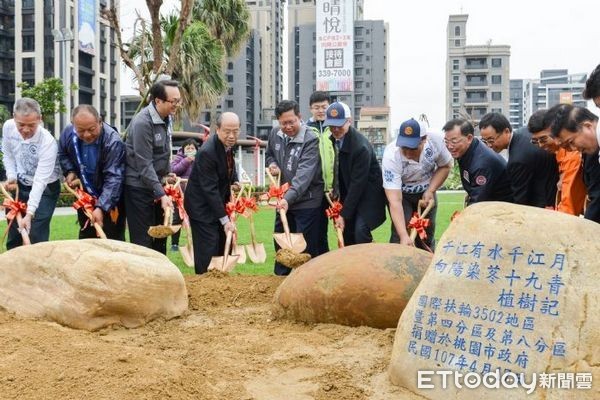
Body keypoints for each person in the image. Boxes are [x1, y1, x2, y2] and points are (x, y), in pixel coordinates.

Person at [266, 100, 323, 276]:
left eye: (292, 122)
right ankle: (280, 280)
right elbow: (269, 155)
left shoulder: (310, 139)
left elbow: (303, 177)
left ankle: (305, 284)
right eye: (284, 123)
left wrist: (287, 199)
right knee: (281, 244)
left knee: (304, 248)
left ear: (300, 117)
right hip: (284, 200)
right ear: (278, 121)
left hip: (307, 201)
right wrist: (273, 164)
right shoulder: (275, 134)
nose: (288, 126)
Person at [124, 79, 179, 254]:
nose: (177, 105)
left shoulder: (166, 118)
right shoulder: (143, 123)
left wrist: (167, 175)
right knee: (143, 242)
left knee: (160, 239)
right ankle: (141, 281)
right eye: (173, 101)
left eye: (179, 101)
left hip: (156, 186)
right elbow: (144, 164)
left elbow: (161, 154)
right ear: (158, 101)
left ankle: (160, 280)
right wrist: (161, 194)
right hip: (139, 188)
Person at [382, 118, 453, 250]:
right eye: (404, 148)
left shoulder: (436, 141)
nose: (408, 153)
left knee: (426, 235)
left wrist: (431, 190)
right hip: (402, 195)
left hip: (426, 192)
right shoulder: (391, 155)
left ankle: (426, 266)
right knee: (400, 237)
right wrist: (403, 235)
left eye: (413, 148)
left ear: (424, 139)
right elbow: (395, 201)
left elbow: (445, 166)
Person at [58, 104, 126, 240]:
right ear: (73, 125)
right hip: (85, 196)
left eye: (91, 129)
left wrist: (101, 207)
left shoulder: (113, 142)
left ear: (100, 122)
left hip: (111, 199)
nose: (87, 135)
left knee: (112, 239)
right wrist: (70, 171)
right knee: (87, 236)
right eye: (81, 130)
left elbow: (114, 178)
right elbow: (62, 153)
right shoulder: (68, 134)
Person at [323, 101, 386, 245]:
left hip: (369, 195)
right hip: (350, 192)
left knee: (360, 231)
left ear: (349, 121)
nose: (335, 129)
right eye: (332, 125)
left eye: (339, 125)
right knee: (348, 234)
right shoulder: (336, 139)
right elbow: (338, 165)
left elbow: (358, 184)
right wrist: (335, 189)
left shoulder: (360, 147)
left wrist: (343, 215)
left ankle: (367, 263)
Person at [1, 98, 61, 248]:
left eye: (31, 125)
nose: (26, 130)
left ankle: (37, 269)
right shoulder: (8, 127)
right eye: (21, 125)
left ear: (39, 120)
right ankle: (14, 269)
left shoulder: (47, 142)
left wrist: (30, 213)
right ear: (14, 117)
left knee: (35, 234)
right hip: (21, 184)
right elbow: (8, 153)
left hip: (46, 188)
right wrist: (12, 176)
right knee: (14, 233)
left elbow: (40, 181)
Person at [184, 113, 239, 275]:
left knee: (222, 245)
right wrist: (224, 220)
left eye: (235, 131)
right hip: (201, 207)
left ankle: (220, 287)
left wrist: (234, 180)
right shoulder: (208, 152)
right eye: (227, 131)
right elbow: (210, 190)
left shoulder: (228, 147)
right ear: (218, 129)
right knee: (208, 246)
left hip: (215, 204)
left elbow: (228, 168)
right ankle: (204, 285)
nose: (231, 136)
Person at [478, 112, 558, 208]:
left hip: (544, 204)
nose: (489, 145)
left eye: (491, 140)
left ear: (506, 131)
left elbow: (520, 200)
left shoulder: (517, 160)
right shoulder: (523, 132)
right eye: (485, 141)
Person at [528, 109, 586, 216]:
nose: (540, 145)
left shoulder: (572, 155)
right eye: (536, 141)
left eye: (543, 139)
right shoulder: (558, 152)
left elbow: (569, 206)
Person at [442, 118, 513, 205]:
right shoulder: (467, 151)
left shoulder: (481, 163)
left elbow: (478, 202)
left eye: (454, 141)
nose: (449, 146)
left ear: (469, 138)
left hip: (501, 208)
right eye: (446, 141)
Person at [306, 91, 335, 255]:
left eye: (324, 107)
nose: (320, 111)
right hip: (315, 189)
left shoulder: (335, 127)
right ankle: (319, 260)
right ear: (311, 109)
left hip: (334, 189)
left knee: (340, 225)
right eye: (316, 107)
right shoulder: (306, 129)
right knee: (317, 229)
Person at [170, 138, 199, 251]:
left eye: (193, 148)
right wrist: (187, 160)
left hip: (195, 195)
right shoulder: (178, 158)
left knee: (195, 219)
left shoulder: (200, 159)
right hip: (179, 195)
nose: (190, 150)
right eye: (188, 148)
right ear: (183, 149)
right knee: (177, 219)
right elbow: (174, 170)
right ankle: (174, 244)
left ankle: (195, 242)